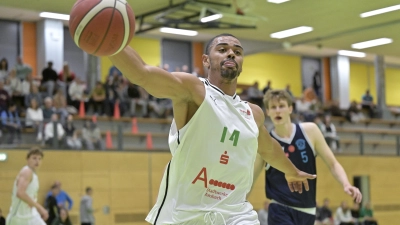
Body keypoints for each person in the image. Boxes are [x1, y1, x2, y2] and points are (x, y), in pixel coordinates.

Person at [107, 33, 315, 224]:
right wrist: (109, 40)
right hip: (185, 215)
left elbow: (269, 148)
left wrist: (292, 171)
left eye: (237, 51)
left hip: (236, 214)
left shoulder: (253, 113)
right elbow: (143, 74)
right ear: (206, 60)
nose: (231, 53)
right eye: (222, 49)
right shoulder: (193, 90)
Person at [252, 90, 362, 225]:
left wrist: (346, 184)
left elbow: (333, 164)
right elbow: (250, 178)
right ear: (267, 112)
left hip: (307, 211)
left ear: (290, 108)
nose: (278, 111)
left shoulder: (310, 131)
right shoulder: (265, 141)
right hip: (279, 208)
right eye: (273, 107)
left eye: (281, 106)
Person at [6, 147, 48, 225]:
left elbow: (29, 196)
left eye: (39, 158)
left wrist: (32, 203)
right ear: (28, 159)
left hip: (31, 216)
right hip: (19, 218)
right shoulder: (27, 171)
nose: (37, 161)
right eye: (34, 158)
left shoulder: (34, 174)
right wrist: (40, 208)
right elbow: (20, 193)